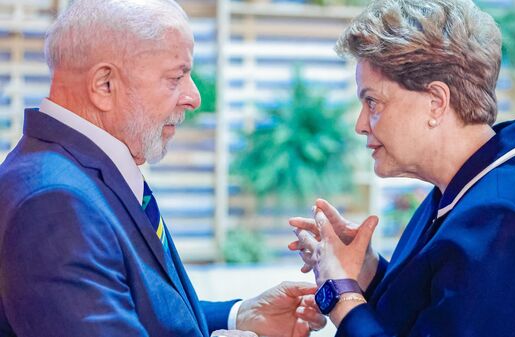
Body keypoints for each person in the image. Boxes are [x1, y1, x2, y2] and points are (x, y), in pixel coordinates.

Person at [0, 1, 326, 336]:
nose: (194, 97)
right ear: (104, 85)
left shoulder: (81, 171)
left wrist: (238, 315)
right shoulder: (54, 203)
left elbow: (130, 304)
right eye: (176, 77)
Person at [288, 0, 515, 336]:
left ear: (436, 101)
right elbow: (444, 310)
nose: (360, 124)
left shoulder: (501, 219)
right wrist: (366, 270)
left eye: (372, 102)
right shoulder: (464, 190)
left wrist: (340, 294)